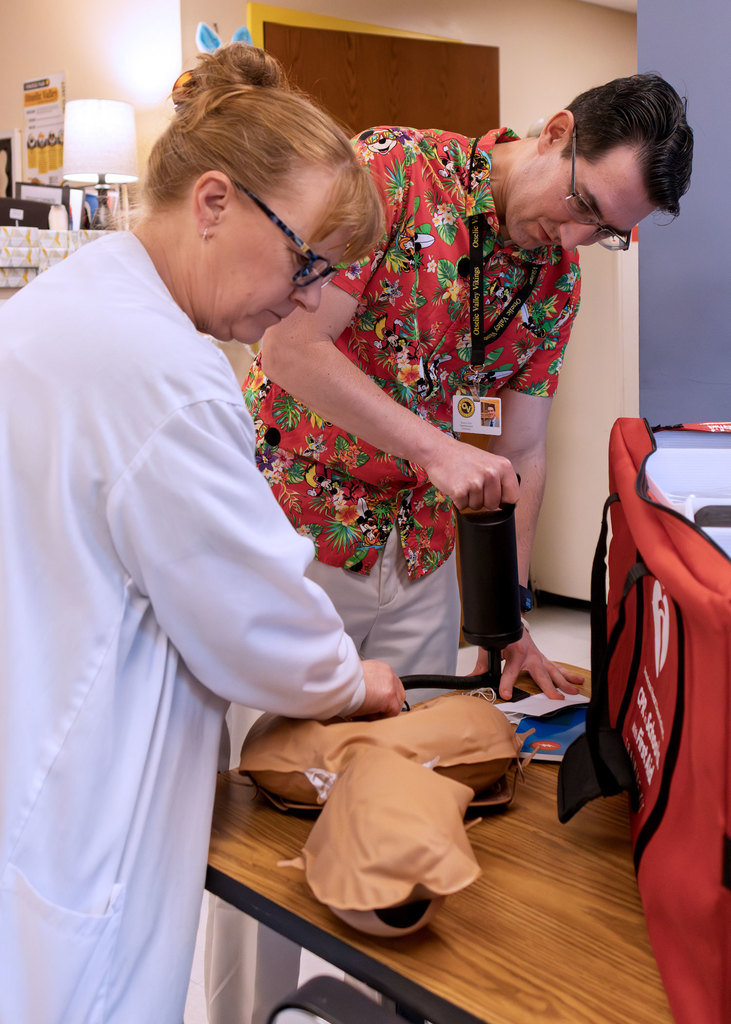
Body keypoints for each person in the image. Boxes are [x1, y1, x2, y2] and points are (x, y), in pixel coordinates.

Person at [0, 42, 406, 1024]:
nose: (309, 300)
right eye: (305, 259)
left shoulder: (71, 303)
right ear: (214, 202)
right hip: (81, 796)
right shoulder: (167, 378)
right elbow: (252, 619)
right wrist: (353, 678)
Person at [244, 72, 693, 698]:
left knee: (411, 762)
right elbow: (290, 347)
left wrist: (506, 615)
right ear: (557, 134)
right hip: (299, 528)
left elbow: (522, 448)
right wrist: (435, 449)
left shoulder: (556, 281)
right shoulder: (393, 172)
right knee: (281, 769)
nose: (571, 238)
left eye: (603, 231)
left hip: (420, 552)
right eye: (583, 205)